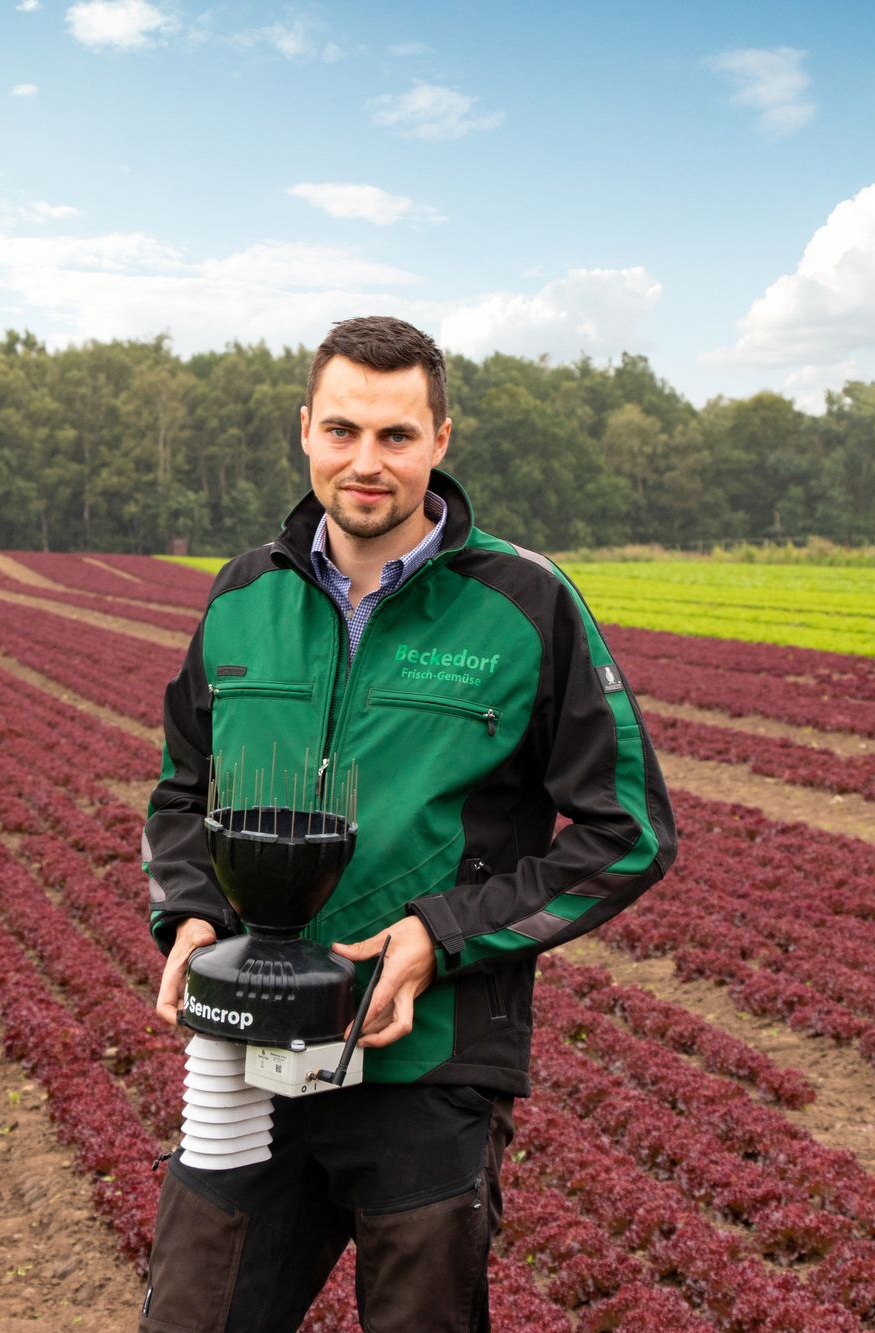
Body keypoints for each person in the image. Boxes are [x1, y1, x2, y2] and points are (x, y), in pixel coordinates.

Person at [138, 315, 678, 1331]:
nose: (365, 461)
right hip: (247, 1060)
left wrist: (442, 934)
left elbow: (629, 831)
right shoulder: (244, 596)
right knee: (192, 1315)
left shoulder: (523, 604)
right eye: (342, 430)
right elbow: (179, 794)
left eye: (395, 435)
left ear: (440, 440)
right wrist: (193, 920)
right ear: (305, 430)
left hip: (427, 1065)